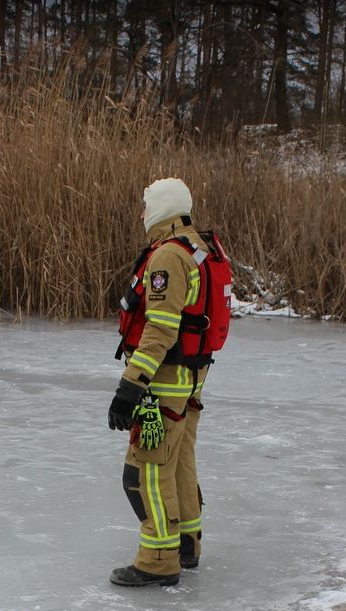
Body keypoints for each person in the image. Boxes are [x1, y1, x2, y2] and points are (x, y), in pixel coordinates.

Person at [107, 177, 226, 587]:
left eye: (146, 205)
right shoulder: (199, 249)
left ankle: (158, 559)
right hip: (190, 381)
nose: (142, 214)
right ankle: (187, 544)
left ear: (161, 208)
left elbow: (159, 330)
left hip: (163, 384)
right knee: (179, 466)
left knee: (145, 474)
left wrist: (130, 387)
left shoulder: (168, 257)